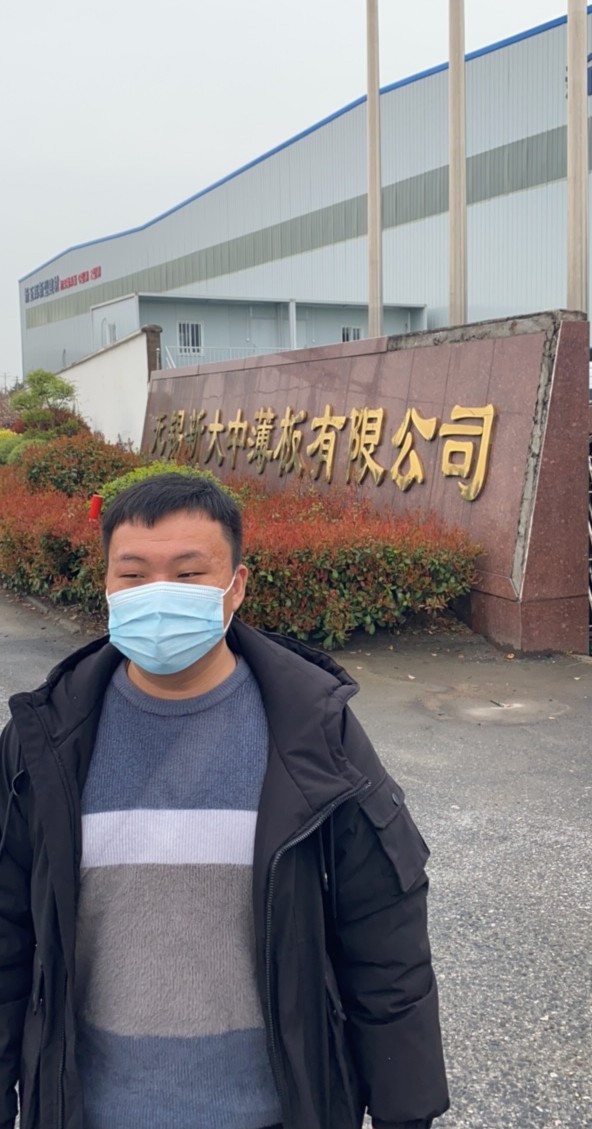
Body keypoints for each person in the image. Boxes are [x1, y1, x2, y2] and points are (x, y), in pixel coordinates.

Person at [0, 473, 449, 1129]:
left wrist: (405, 1110)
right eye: (133, 575)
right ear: (107, 586)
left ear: (236, 586)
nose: (159, 595)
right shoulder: (46, 739)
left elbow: (384, 935)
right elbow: (7, 935)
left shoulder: (314, 732)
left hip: (275, 1110)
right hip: (87, 1108)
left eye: (188, 574)